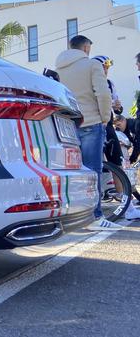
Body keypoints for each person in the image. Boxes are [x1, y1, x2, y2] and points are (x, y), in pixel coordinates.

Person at [56, 35, 121, 231]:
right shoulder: (92, 65)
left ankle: (76, 216)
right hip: (91, 122)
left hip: (68, 125)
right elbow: (103, 93)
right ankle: (95, 217)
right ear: (85, 48)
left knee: (74, 173)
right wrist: (104, 118)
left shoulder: (60, 66)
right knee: (92, 172)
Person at [91, 55, 123, 166]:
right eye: (104, 68)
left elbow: (118, 108)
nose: (106, 71)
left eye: (107, 68)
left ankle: (120, 183)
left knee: (116, 162)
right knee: (93, 163)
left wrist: (117, 107)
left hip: (108, 124)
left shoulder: (110, 83)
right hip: (92, 124)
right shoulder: (88, 83)